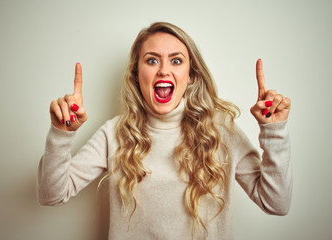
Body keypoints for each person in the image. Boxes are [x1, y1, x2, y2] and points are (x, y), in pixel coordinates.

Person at [38, 22, 292, 239]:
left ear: (191, 75)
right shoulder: (114, 133)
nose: (163, 70)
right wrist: (61, 133)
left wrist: (274, 132)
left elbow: (276, 203)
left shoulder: (222, 131)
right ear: (137, 74)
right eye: (151, 60)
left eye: (176, 60)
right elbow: (52, 194)